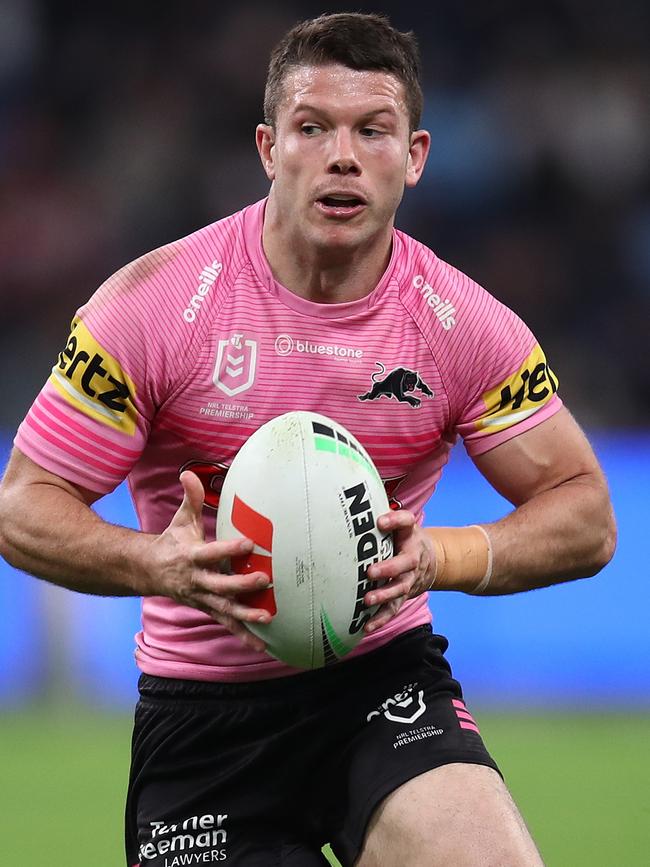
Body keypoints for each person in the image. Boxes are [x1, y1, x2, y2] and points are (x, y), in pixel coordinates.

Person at [0, 12, 616, 867]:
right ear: (266, 147)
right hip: (203, 719)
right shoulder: (149, 308)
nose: (342, 155)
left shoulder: (462, 326)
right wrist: (154, 564)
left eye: (373, 130)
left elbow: (586, 513)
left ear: (417, 155)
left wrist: (443, 557)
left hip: (383, 683)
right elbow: (22, 507)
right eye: (312, 127)